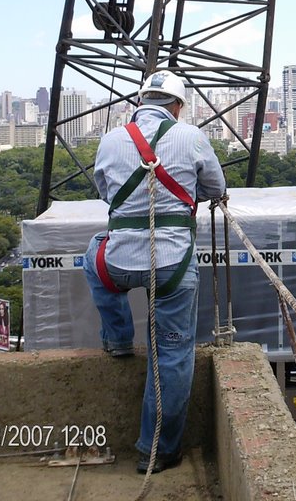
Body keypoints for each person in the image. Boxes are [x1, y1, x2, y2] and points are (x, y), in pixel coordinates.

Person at [83, 70, 225, 474]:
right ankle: (156, 450)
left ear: (142, 100)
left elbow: (105, 191)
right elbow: (216, 188)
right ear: (177, 106)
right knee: (173, 355)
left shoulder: (111, 139)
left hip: (118, 264)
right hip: (172, 267)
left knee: (94, 258)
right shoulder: (191, 136)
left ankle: (118, 338)